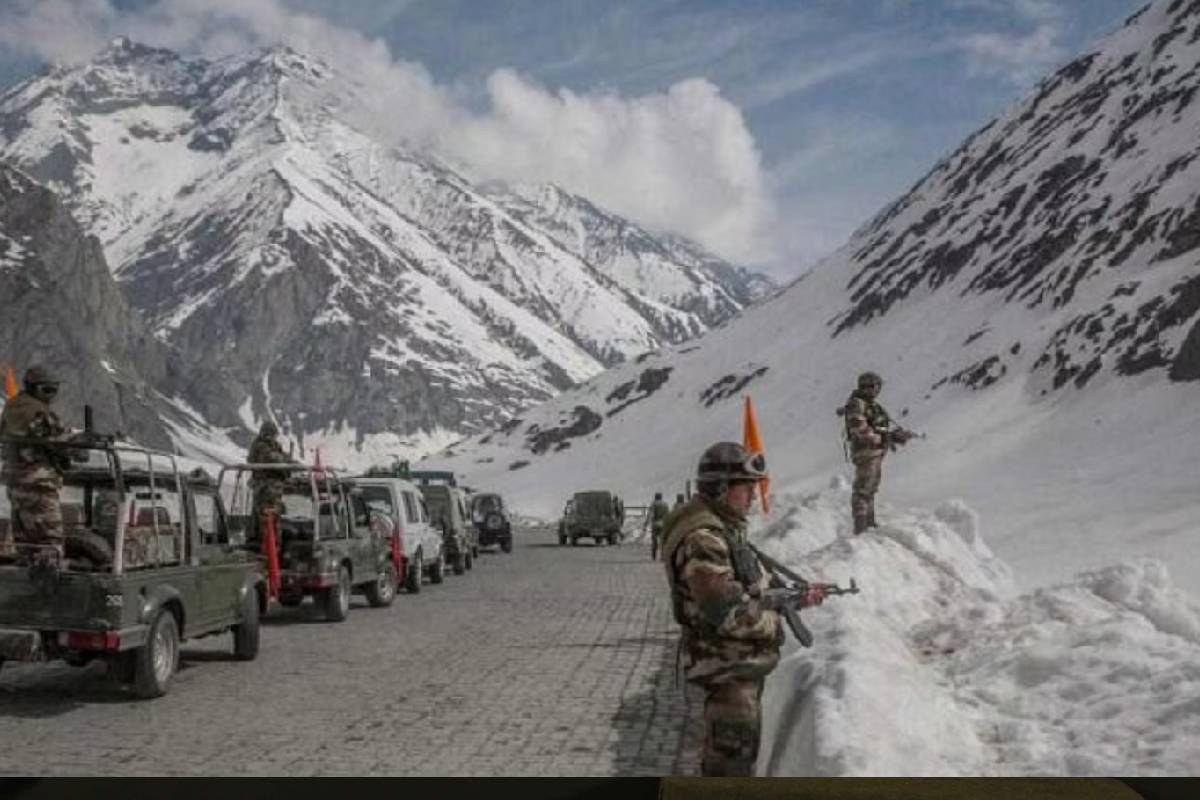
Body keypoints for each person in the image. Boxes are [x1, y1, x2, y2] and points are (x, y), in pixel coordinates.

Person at [661, 442, 827, 776]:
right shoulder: (704, 539)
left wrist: (789, 597)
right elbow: (727, 614)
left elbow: (744, 590)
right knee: (729, 769)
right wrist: (775, 619)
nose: (753, 496)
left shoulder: (720, 529)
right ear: (722, 489)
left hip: (734, 669)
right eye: (746, 487)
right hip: (728, 672)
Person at [0, 366, 69, 560]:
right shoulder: (37, 411)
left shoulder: (12, 406)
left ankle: (22, 587)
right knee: (50, 545)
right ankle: (50, 589)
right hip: (39, 484)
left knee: (25, 545)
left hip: (15, 484)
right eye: (46, 390)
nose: (51, 396)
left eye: (54, 390)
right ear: (32, 388)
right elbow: (60, 441)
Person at [841, 371, 911, 534]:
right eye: (875, 386)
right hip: (865, 452)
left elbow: (880, 428)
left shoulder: (873, 406)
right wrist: (884, 438)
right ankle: (861, 527)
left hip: (874, 452)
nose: (877, 390)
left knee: (870, 488)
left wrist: (894, 436)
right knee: (863, 489)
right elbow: (860, 429)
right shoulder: (857, 404)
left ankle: (869, 524)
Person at [246, 420, 296, 541]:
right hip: (267, 488)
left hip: (267, 488)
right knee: (268, 519)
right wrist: (288, 461)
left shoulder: (268, 446)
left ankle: (267, 544)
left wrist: (289, 461)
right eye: (273, 435)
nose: (274, 437)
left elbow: (281, 458)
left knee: (269, 519)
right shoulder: (261, 446)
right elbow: (275, 459)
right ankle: (269, 546)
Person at [646, 492, 669, 561]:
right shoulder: (665, 504)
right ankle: (663, 556)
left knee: (654, 540)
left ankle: (654, 555)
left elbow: (651, 514)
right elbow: (667, 515)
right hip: (663, 524)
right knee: (663, 540)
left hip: (655, 524)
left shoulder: (654, 504)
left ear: (655, 497)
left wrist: (646, 523)